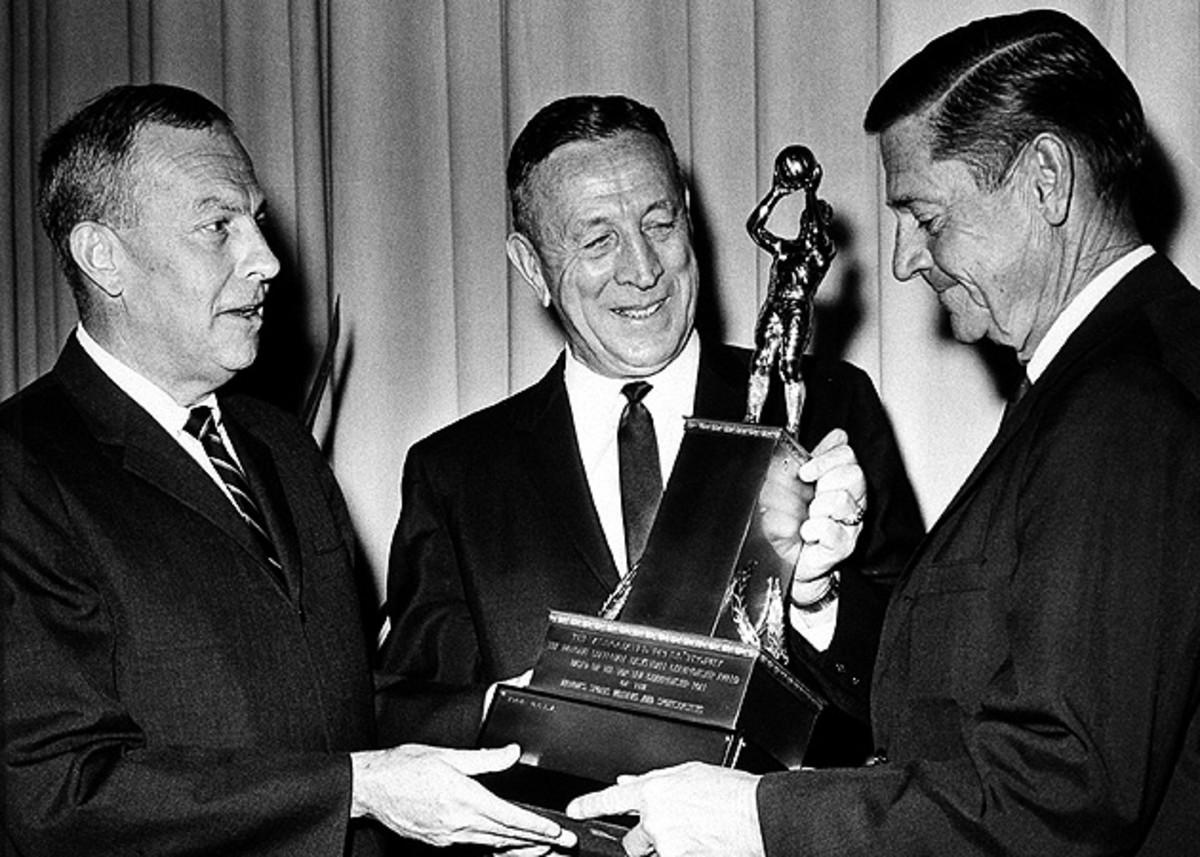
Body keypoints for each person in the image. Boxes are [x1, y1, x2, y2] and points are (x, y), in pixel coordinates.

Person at [566, 9, 1200, 856]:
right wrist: (818, 598)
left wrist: (756, 818)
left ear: (1046, 179)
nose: (903, 259)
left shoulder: (1121, 401)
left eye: (926, 217)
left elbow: (1060, 789)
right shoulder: (1103, 375)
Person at [0, 83, 575, 857]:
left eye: (257, 221)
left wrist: (513, 709)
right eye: (218, 226)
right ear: (103, 256)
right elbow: (58, 789)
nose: (266, 260)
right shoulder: (21, 470)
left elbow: (332, 696)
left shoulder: (276, 442)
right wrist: (358, 789)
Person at [375, 94, 924, 769]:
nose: (643, 270)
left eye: (660, 224)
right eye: (597, 241)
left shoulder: (825, 407)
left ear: (690, 218)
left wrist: (817, 601)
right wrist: (514, 717)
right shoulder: (456, 473)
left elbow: (925, 680)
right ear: (531, 266)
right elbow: (404, 712)